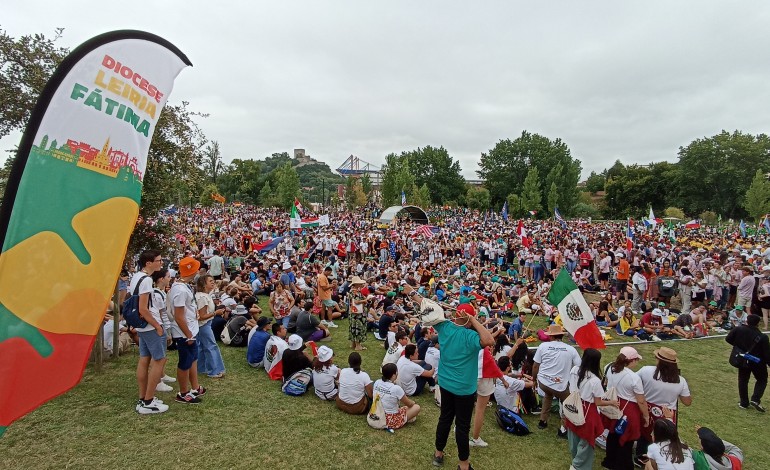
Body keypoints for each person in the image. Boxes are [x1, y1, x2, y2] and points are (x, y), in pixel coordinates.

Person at [635, 347, 693, 466]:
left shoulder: (646, 371)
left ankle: (641, 456)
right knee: (665, 437)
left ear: (659, 360)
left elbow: (633, 382)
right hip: (667, 412)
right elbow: (687, 402)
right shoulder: (680, 380)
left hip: (648, 407)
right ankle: (660, 459)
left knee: (644, 433)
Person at [565, 348, 619, 470]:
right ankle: (578, 466)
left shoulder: (574, 370)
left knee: (574, 438)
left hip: (573, 407)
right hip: (587, 412)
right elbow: (598, 402)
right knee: (586, 443)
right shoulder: (595, 380)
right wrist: (612, 402)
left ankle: (575, 461)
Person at [131, 250, 168, 414]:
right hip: (150, 325)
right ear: (148, 263)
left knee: (144, 359)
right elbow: (143, 309)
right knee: (159, 360)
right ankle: (148, 400)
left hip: (142, 326)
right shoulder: (146, 280)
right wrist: (158, 326)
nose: (161, 263)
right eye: (158, 260)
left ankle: (143, 397)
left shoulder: (136, 277)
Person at [601, 346, 650, 470]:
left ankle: (610, 460)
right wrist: (646, 415)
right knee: (626, 438)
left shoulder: (609, 367)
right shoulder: (634, 378)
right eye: (636, 360)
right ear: (632, 360)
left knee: (613, 433)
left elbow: (606, 382)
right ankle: (622, 465)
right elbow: (641, 400)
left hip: (613, 403)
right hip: (628, 408)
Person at [533, 324, 582, 435]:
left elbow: (535, 365)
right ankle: (563, 429)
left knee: (548, 395)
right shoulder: (571, 349)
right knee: (567, 403)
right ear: (561, 336)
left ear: (551, 336)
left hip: (544, 382)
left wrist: (534, 379)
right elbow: (579, 365)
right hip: (560, 385)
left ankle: (543, 421)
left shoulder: (542, 346)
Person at [169, 256, 206, 404]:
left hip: (190, 328)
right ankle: (183, 392)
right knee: (185, 362)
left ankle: (194, 387)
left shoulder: (184, 286)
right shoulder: (180, 290)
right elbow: (178, 316)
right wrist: (189, 335)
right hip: (185, 332)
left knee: (193, 359)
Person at [726, 314, 770, 412]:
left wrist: (739, 347)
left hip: (743, 358)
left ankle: (744, 403)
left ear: (746, 321)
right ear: (758, 323)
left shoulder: (739, 329)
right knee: (762, 380)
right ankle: (755, 399)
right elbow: (767, 354)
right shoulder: (763, 337)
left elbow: (728, 339)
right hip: (757, 362)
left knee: (743, 380)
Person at [372, 363, 421, 429]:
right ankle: (405, 419)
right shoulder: (396, 388)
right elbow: (409, 404)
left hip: (375, 414)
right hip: (389, 420)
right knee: (416, 407)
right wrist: (413, 402)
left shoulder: (377, 382)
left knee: (403, 408)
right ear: (393, 375)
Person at [195, 274, 226, 378]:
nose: (213, 282)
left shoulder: (205, 295)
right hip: (204, 325)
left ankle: (201, 368)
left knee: (203, 346)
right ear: (204, 284)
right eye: (210, 281)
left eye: (213, 280)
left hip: (205, 324)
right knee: (211, 346)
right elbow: (202, 316)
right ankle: (214, 370)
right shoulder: (202, 297)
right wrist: (215, 313)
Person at [348, 276, 368, 351]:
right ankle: (358, 345)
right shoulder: (355, 291)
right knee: (358, 328)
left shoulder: (353, 291)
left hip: (353, 313)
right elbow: (356, 302)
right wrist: (364, 300)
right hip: (357, 314)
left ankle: (353, 343)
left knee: (353, 327)